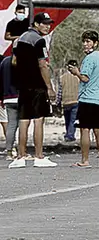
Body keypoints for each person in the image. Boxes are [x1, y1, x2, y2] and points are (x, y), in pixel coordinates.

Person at [10, 12, 57, 168]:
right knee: (38, 120)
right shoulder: (39, 40)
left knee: (23, 120)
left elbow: (14, 61)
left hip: (23, 85)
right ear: (36, 24)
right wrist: (49, 87)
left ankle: (21, 156)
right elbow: (42, 64)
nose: (47, 26)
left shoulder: (19, 40)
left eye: (49, 23)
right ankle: (39, 156)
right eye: (44, 23)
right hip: (37, 85)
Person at [67, 30, 99, 168]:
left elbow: (85, 78)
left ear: (95, 43)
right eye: (84, 41)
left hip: (87, 98)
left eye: (88, 41)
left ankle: (85, 160)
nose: (85, 44)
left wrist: (76, 72)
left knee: (85, 129)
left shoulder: (89, 59)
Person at [0, 53, 18, 156]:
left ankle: (10, 151)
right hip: (18, 96)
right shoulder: (22, 60)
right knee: (21, 124)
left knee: (10, 124)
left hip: (7, 97)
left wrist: (2, 97)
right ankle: (20, 151)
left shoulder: (4, 62)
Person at [58, 60, 80, 142]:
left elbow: (60, 92)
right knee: (73, 120)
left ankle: (68, 134)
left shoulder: (62, 77)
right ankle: (70, 135)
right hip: (76, 101)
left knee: (67, 120)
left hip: (66, 102)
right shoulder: (79, 77)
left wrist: (58, 102)